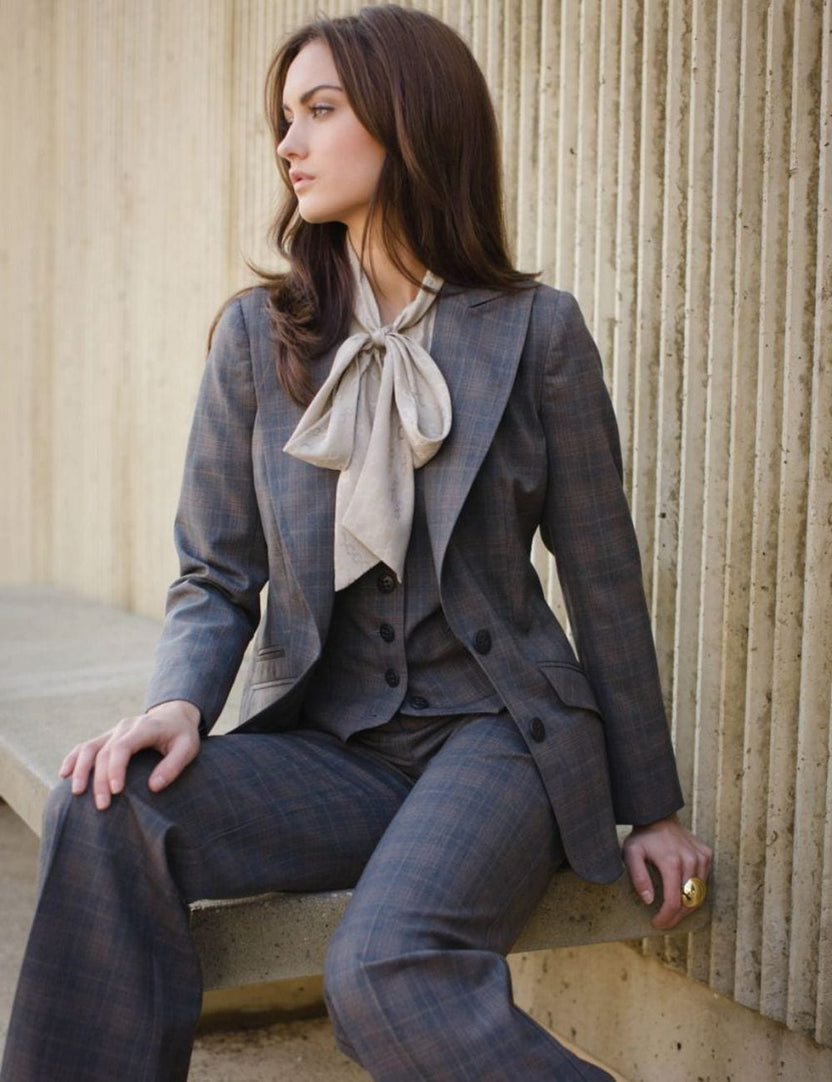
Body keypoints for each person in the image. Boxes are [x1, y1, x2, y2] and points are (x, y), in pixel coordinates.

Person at [1, 6, 712, 1081]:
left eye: (320, 111)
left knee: (383, 970)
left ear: (409, 121)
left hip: (500, 739)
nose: (289, 143)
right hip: (337, 750)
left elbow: (602, 580)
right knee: (106, 806)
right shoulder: (258, 337)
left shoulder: (537, 333)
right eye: (284, 118)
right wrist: (178, 702)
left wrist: (650, 806)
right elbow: (216, 571)